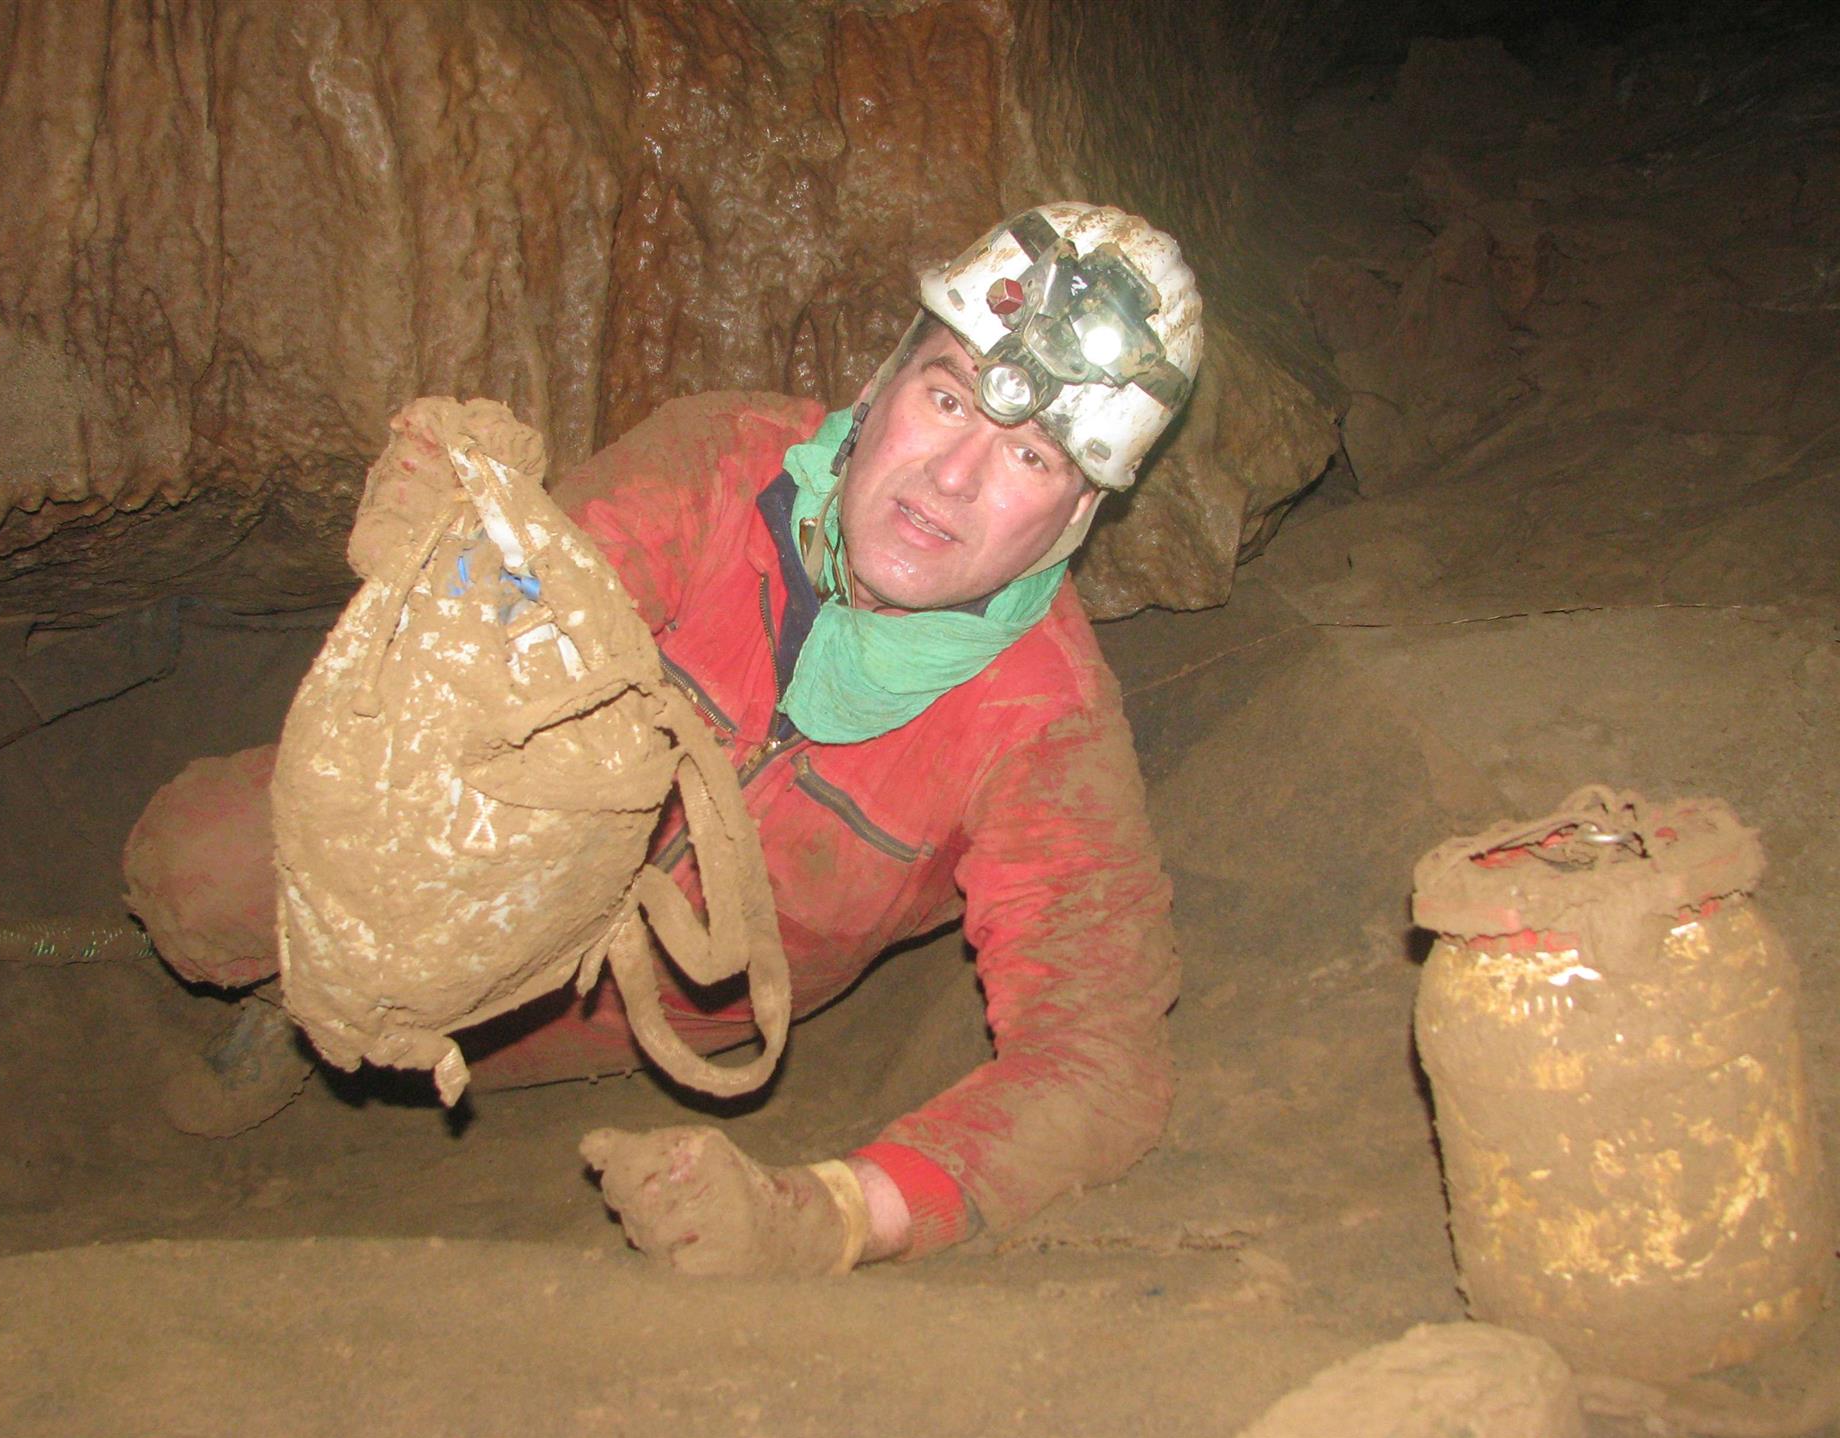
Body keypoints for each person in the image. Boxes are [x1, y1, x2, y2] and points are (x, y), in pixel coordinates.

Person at [123, 201, 1203, 1277]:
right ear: (881, 386)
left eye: (1032, 459)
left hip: (653, 1015)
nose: (952, 478)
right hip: (498, 871)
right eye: (947, 398)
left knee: (429, 1054)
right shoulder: (722, 466)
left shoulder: (1042, 723)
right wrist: (448, 579)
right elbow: (538, 616)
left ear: (1076, 518)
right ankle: (296, 1000)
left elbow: (1098, 1063)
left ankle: (368, 1040)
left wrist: (828, 1216)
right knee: (205, 861)